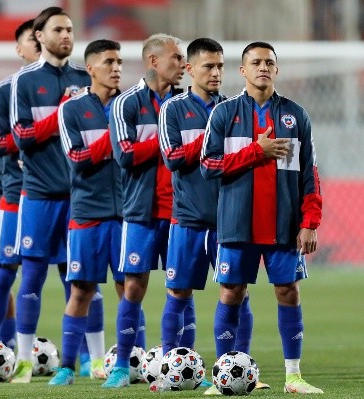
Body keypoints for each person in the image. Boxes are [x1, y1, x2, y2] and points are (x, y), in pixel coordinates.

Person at [200, 41, 323, 394]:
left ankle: (294, 377)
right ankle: (221, 376)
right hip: (238, 223)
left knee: (288, 291)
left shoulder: (296, 115)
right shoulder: (224, 115)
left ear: (277, 69)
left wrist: (309, 221)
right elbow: (208, 167)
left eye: (269, 62)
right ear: (243, 70)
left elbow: (309, 174)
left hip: (283, 225)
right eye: (255, 62)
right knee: (232, 292)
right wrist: (258, 151)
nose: (263, 68)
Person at [157, 38, 269, 393]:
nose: (216, 72)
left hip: (229, 220)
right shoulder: (173, 110)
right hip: (188, 217)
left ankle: (239, 371)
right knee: (178, 292)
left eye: (220, 66)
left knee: (238, 293)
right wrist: (211, 137)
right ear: (190, 69)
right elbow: (173, 158)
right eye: (208, 66)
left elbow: (252, 157)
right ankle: (170, 369)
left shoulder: (236, 109)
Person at [9, 7, 93, 383]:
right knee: (32, 276)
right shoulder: (23, 82)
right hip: (40, 194)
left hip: (82, 196)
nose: (66, 35)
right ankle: (24, 359)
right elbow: (21, 137)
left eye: (70, 29)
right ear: (39, 36)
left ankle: (93, 358)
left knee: (82, 279)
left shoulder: (84, 77)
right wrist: (62, 113)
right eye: (58, 29)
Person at [104, 33, 186, 389]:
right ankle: (123, 365)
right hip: (139, 210)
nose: (183, 65)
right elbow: (124, 155)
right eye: (176, 58)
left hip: (182, 211)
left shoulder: (189, 102)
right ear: (153, 61)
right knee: (133, 285)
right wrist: (169, 140)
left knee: (181, 286)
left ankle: (176, 364)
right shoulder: (126, 104)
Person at [49, 39, 124, 386]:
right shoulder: (72, 109)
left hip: (127, 212)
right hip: (87, 212)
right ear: (91, 68)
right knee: (81, 290)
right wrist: (116, 134)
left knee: (129, 289)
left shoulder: (132, 105)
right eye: (109, 61)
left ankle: (128, 363)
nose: (116, 67)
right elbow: (78, 159)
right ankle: (66, 366)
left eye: (119, 61)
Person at [0, 18, 40, 352]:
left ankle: (87, 357)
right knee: (4, 271)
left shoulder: (77, 83)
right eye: (30, 39)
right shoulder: (5, 89)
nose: (37, 42)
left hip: (65, 198)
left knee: (74, 275)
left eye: (39, 36)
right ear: (19, 49)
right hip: (16, 194)